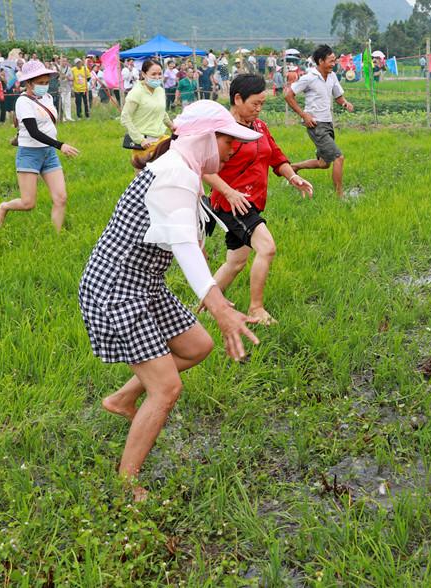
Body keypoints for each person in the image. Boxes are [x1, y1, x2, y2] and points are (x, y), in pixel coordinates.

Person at [78, 100, 261, 502]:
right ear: (205, 139)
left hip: (144, 283)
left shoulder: (182, 168)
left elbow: (179, 237)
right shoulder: (175, 172)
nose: (234, 149)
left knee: (198, 345)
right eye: (229, 140)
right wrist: (222, 309)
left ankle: (122, 398)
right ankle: (127, 483)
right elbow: (183, 247)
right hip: (117, 289)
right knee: (165, 389)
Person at [203, 74, 313, 325]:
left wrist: (292, 176)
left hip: (253, 200)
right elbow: (205, 168)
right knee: (267, 247)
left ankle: (202, 308)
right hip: (233, 203)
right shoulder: (223, 129)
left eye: (262, 104)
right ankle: (256, 309)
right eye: (255, 103)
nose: (258, 109)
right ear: (238, 98)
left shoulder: (260, 127)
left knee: (235, 262)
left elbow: (275, 156)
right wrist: (229, 192)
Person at [0, 61, 79, 232]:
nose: (44, 86)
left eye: (46, 83)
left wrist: (54, 146)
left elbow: (48, 124)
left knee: (61, 198)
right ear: (28, 83)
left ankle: (56, 236)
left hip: (48, 153)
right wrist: (60, 145)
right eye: (40, 83)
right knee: (28, 203)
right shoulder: (23, 102)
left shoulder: (47, 98)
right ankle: (4, 207)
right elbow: (33, 131)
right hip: (30, 153)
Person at [284, 45, 354, 198]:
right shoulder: (309, 77)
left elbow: (338, 96)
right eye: (331, 61)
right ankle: (339, 196)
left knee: (324, 163)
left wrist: (345, 103)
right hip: (316, 125)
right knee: (338, 157)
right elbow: (289, 95)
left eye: (334, 60)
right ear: (321, 61)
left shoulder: (332, 76)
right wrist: (304, 115)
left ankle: (294, 167)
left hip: (328, 123)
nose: (333, 63)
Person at [120, 59, 175, 171]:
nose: (157, 77)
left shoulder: (159, 90)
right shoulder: (136, 93)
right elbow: (125, 117)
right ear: (144, 74)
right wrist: (140, 140)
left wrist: (171, 126)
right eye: (153, 74)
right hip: (144, 144)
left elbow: (161, 111)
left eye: (159, 74)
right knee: (144, 184)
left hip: (160, 140)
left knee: (164, 179)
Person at [58, 57, 74, 122]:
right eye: (63, 61)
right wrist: (61, 77)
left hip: (67, 88)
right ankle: (62, 117)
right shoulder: (58, 68)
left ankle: (68, 116)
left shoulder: (69, 69)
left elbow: (72, 78)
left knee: (68, 103)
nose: (64, 62)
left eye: (65, 61)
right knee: (62, 103)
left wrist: (67, 78)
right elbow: (57, 79)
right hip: (61, 88)